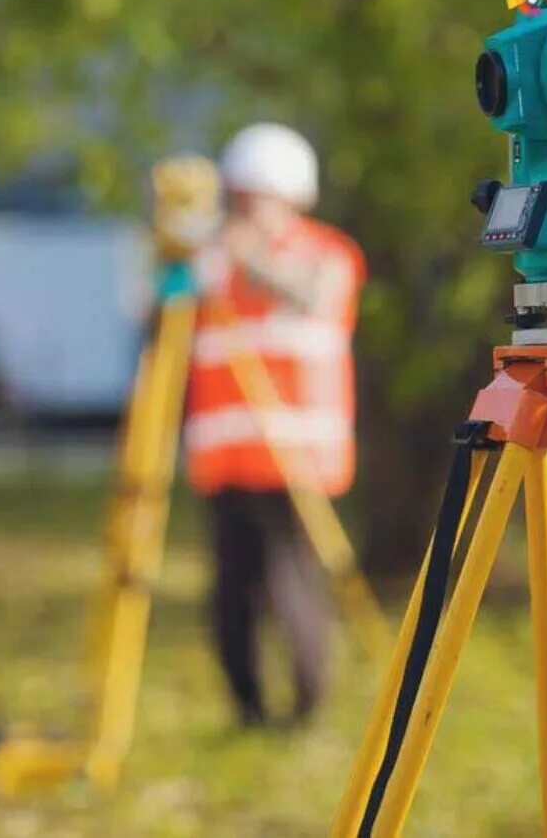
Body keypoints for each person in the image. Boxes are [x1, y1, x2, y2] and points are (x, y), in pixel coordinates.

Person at [184, 123, 366, 727]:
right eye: (240, 195)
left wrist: (248, 257)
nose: (246, 208)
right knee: (230, 594)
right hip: (226, 457)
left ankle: (307, 707)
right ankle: (248, 709)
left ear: (292, 193)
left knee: (293, 587)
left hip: (294, 455)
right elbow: (164, 316)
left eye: (257, 194)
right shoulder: (212, 260)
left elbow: (311, 297)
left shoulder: (327, 253)